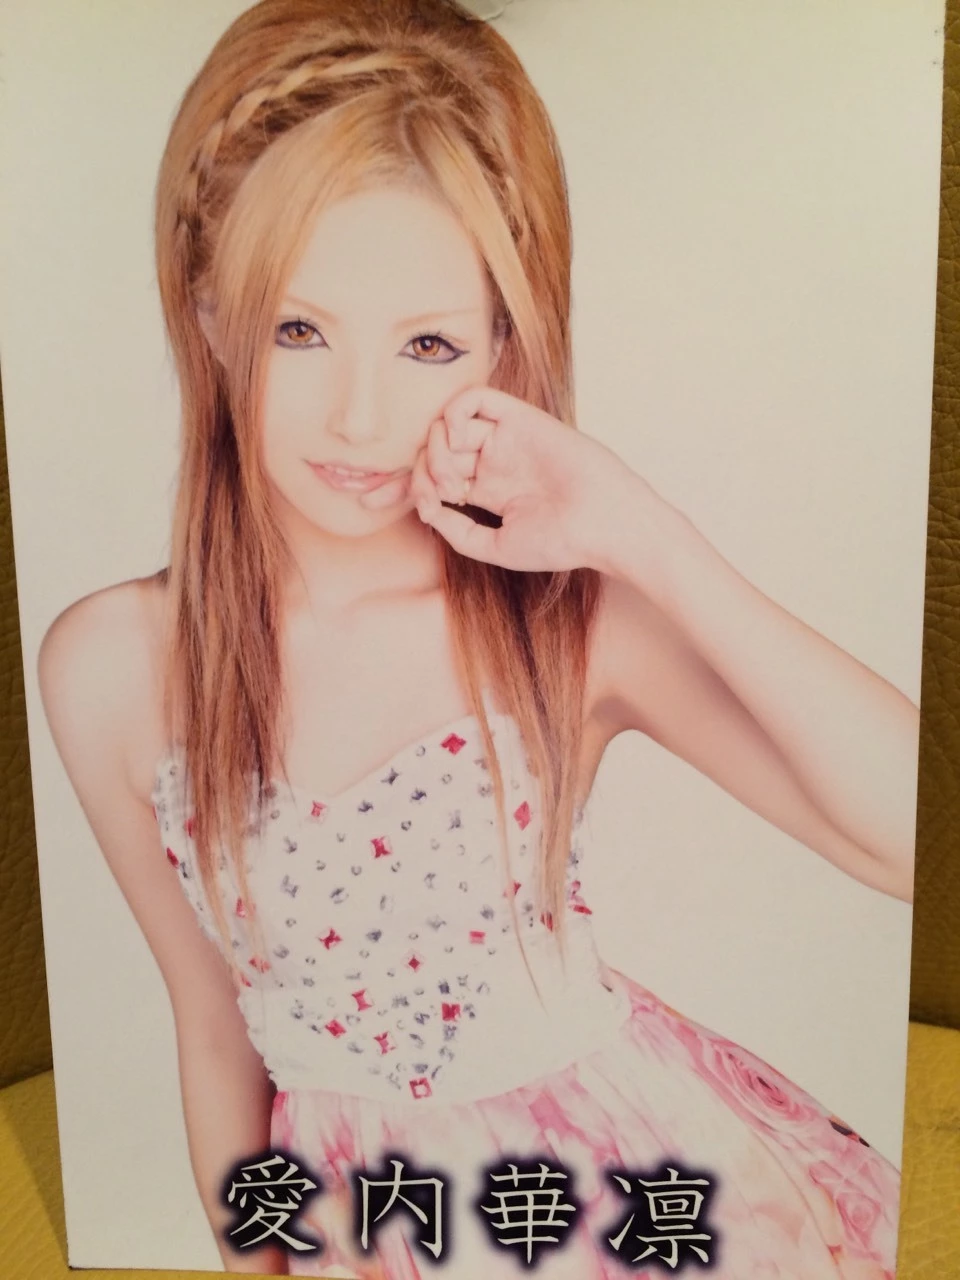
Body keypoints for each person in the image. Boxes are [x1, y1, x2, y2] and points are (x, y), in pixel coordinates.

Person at [38, 0, 914, 1275]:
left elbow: (910, 839)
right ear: (211, 313)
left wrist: (649, 534)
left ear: (504, 345)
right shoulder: (114, 668)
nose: (358, 414)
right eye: (298, 328)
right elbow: (213, 1019)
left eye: (429, 343)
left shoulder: (563, 622)